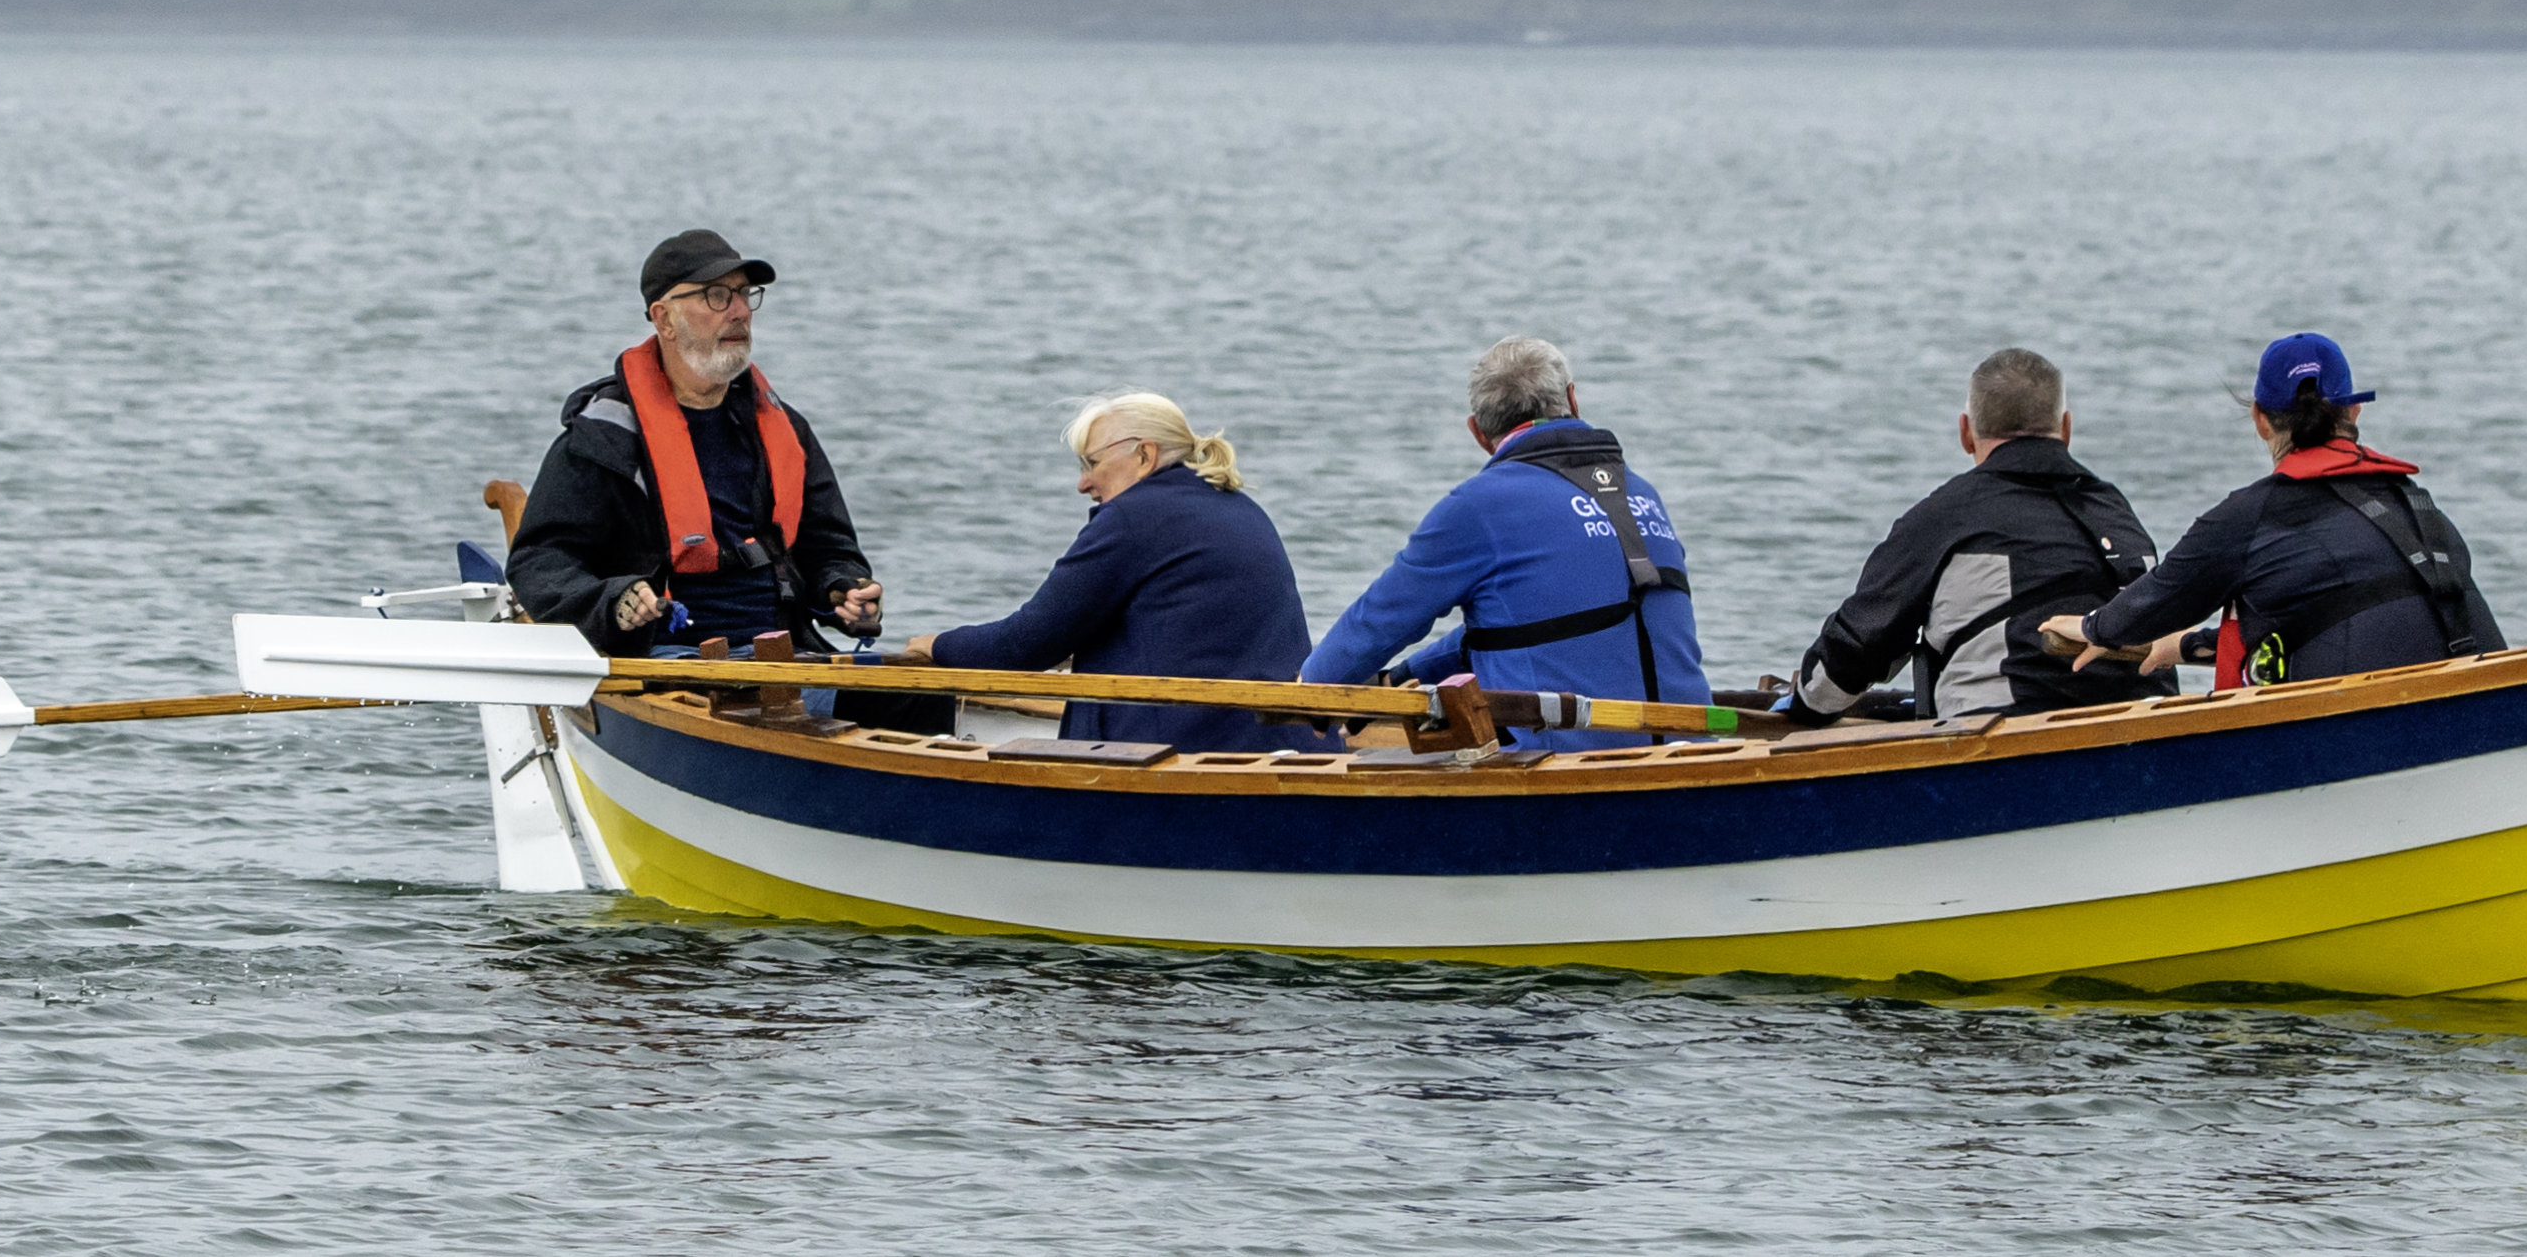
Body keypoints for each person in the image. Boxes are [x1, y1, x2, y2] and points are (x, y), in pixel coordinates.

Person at [1301, 336, 1708, 751]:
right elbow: (1529, 626)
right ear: (1573, 399)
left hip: (1570, 765)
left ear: (1478, 433)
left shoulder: (1478, 506)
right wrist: (1404, 677)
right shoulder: (1641, 493)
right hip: (1697, 751)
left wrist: (1312, 691)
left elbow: (1379, 619)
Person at [2040, 332, 2504, 688]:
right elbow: (2347, 615)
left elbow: (2153, 603)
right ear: (2353, 413)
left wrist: (2093, 627)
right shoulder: (2419, 505)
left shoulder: (2246, 519)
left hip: (2361, 729)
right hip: (2482, 700)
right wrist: (2186, 646)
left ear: (2260, 420)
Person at [506, 228, 886, 657]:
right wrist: (614, 600)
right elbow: (539, 562)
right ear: (664, 319)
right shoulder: (605, 437)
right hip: (668, 657)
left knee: (910, 692)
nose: (739, 311)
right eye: (716, 296)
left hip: (785, 652)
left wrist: (844, 589)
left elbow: (830, 549)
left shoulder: (786, 428)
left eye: (744, 294)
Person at [902, 393, 1335, 754]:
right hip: (1292, 746)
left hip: (1186, 757)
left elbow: (1024, 644)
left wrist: (935, 645)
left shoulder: (1134, 517)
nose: (1083, 484)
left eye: (1091, 463)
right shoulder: (1241, 507)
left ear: (1144, 455)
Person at [1784, 346, 2176, 723]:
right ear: (2066, 428)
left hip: (2006, 735)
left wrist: (1806, 706)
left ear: (1966, 433)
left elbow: (1860, 644)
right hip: (2151, 728)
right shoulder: (2115, 511)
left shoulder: (1943, 517)